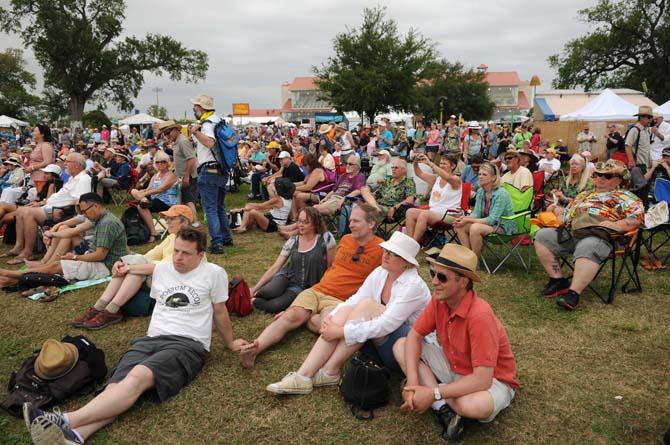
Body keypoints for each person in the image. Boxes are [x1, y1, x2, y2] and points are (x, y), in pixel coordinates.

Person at [24, 228, 247, 445]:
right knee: (116, 388)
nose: (178, 257)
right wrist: (120, 267)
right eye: (176, 250)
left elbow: (220, 311)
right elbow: (141, 267)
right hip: (150, 340)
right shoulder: (163, 268)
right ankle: (77, 436)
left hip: (187, 344)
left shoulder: (214, 273)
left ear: (201, 255)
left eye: (186, 253)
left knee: (138, 375)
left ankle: (65, 420)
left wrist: (230, 343)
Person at [266, 232, 430, 394]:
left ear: (406, 263)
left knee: (366, 307)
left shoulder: (413, 285)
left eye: (393, 254)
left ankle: (329, 370)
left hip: (402, 350)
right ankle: (304, 375)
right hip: (376, 341)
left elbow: (386, 324)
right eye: (386, 251)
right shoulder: (381, 272)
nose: (385, 255)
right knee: (348, 309)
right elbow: (356, 298)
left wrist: (341, 330)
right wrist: (333, 317)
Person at [394, 243, 518, 441]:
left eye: (442, 277)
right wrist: (413, 382)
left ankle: (437, 395)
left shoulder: (480, 315)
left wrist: (432, 392)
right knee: (401, 346)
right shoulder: (439, 300)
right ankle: (442, 407)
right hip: (455, 366)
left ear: (463, 282)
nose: (434, 281)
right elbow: (415, 336)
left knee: (473, 406)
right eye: (433, 273)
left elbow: (482, 379)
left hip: (493, 379)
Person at [239, 203, 383, 369]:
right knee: (289, 316)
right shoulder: (345, 240)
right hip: (317, 290)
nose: (350, 225)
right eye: (350, 220)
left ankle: (306, 318)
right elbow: (332, 267)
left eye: (356, 221)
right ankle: (256, 347)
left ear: (371, 224)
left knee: (328, 328)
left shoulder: (381, 249)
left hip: (339, 300)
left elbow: (383, 281)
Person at [534, 160, 644, 310]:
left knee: (588, 246)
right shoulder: (583, 195)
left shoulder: (626, 197)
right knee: (542, 236)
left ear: (619, 179)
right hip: (574, 233)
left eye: (607, 176)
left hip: (601, 236)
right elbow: (566, 216)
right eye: (597, 175)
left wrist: (616, 225)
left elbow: (636, 218)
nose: (600, 178)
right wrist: (558, 212)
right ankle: (558, 281)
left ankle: (573, 293)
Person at [71, 205, 195, 330]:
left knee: (134, 269)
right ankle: (101, 308)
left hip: (175, 282)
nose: (167, 221)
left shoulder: (189, 243)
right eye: (167, 218)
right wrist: (122, 262)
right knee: (133, 265)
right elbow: (148, 255)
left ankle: (109, 309)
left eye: (171, 219)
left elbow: (167, 266)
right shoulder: (172, 237)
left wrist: (129, 267)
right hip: (162, 276)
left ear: (184, 221)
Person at [0, 193, 127, 287]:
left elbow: (100, 255)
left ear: (96, 206)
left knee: (57, 266)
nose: (84, 215)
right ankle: (14, 279)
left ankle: (11, 275)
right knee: (57, 267)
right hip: (103, 260)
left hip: (105, 266)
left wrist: (74, 258)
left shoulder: (106, 223)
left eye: (85, 211)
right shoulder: (103, 218)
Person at [4, 153, 91, 262]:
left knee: (27, 213)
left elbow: (81, 201)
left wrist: (61, 206)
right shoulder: (73, 178)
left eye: (67, 162)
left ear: (77, 165)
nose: (65, 164)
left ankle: (27, 252)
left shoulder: (83, 179)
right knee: (21, 211)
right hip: (50, 207)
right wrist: (42, 202)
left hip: (62, 212)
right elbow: (61, 196)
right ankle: (18, 246)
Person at [252, 207, 336, 313]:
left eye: (306, 222)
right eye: (299, 221)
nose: (301, 225)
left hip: (304, 286)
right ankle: (251, 294)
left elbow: (331, 267)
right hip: (287, 276)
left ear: (315, 223)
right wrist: (254, 289)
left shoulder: (326, 238)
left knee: (276, 305)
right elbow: (276, 267)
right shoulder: (293, 240)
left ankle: (254, 301)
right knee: (269, 291)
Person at [190, 94, 233, 254]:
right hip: (221, 169)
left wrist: (196, 132)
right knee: (220, 206)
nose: (194, 110)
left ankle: (217, 243)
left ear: (200, 108)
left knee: (211, 208)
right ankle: (226, 237)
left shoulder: (207, 124)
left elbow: (210, 142)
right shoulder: (218, 120)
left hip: (209, 169)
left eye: (195, 107)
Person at [453, 162, 515, 259]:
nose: (480, 177)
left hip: (503, 227)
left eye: (484, 174)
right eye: (479, 174)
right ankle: (467, 256)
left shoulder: (501, 194)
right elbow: (476, 213)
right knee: (459, 225)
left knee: (475, 227)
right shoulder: (481, 191)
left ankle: (474, 260)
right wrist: (464, 218)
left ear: (494, 177)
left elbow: (492, 220)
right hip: (488, 224)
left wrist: (468, 220)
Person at [406, 154, 462, 243]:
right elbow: (419, 173)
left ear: (453, 166)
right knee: (410, 212)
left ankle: (414, 243)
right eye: (441, 163)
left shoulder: (456, 180)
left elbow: (447, 177)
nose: (442, 165)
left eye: (445, 164)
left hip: (450, 215)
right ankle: (410, 240)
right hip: (434, 212)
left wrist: (430, 163)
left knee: (425, 215)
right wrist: (415, 163)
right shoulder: (437, 178)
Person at [130, 151, 178, 243]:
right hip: (154, 199)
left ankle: (153, 233)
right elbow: (149, 189)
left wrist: (143, 194)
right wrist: (141, 192)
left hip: (166, 202)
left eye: (163, 161)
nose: (160, 164)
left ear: (167, 162)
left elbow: (161, 189)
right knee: (134, 191)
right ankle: (143, 201)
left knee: (141, 206)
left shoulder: (171, 175)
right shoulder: (155, 176)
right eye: (157, 162)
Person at [159, 120, 199, 226]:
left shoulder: (182, 141)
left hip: (188, 176)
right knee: (186, 200)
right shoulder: (177, 141)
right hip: (182, 176)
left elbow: (192, 160)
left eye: (168, 132)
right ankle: (189, 222)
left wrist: (186, 177)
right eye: (165, 134)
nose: (167, 136)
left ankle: (194, 223)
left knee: (189, 201)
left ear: (176, 129)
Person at [547, 153, 593, 218]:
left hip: (576, 211)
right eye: (572, 164)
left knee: (556, 211)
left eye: (576, 164)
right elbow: (560, 195)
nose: (573, 166)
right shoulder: (566, 179)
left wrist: (564, 198)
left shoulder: (588, 183)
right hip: (562, 206)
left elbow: (583, 203)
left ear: (583, 167)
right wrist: (555, 193)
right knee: (550, 208)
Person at [24, 124, 55, 193]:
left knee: (40, 196)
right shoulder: (38, 145)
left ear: (42, 134)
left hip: (42, 177)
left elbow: (47, 162)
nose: (33, 133)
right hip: (36, 176)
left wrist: (32, 168)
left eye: (35, 131)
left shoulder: (45, 145)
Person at [625, 106, 653, 172]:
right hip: (638, 165)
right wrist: (631, 161)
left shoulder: (646, 130)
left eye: (650, 117)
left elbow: (646, 148)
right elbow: (627, 146)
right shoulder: (635, 130)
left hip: (646, 165)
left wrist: (650, 161)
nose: (650, 120)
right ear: (641, 117)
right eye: (649, 117)